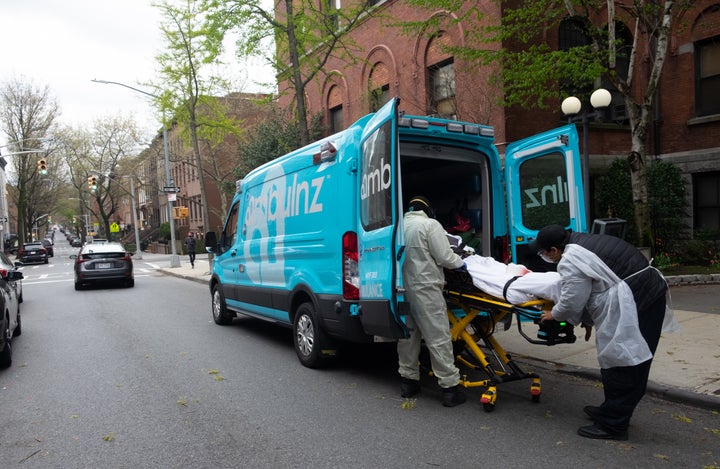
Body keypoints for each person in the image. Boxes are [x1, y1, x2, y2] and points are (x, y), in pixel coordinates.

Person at [533, 224, 671, 440]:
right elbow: (594, 284)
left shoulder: (570, 259)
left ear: (553, 250)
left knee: (623, 361)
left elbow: (572, 301)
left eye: (543, 252)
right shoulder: (581, 240)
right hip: (646, 294)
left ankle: (613, 425)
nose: (544, 256)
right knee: (626, 360)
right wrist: (586, 319)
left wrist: (554, 315)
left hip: (638, 301)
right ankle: (611, 410)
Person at [398, 195, 467, 407]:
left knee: (407, 336)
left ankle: (408, 382)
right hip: (425, 288)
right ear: (427, 210)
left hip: (400, 288)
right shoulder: (430, 225)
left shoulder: (397, 226)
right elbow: (445, 257)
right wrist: (461, 263)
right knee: (437, 336)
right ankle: (449, 388)